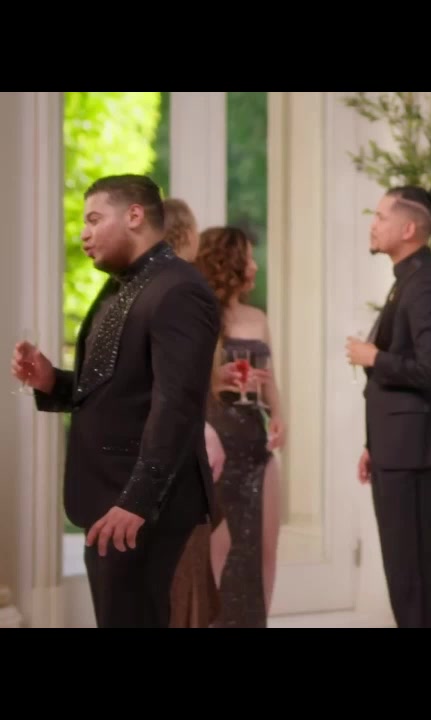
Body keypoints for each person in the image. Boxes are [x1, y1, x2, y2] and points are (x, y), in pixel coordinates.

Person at [10, 174, 220, 627]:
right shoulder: (124, 285)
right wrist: (51, 381)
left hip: (140, 505)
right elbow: (118, 389)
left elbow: (177, 406)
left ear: (134, 215)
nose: (83, 234)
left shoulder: (178, 289)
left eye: (93, 219)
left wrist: (137, 502)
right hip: (110, 498)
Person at [347, 184, 431, 628]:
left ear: (409, 228)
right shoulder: (408, 280)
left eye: (380, 217)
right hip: (395, 444)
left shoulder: (427, 284)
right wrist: (373, 443)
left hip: (411, 446)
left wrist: (373, 357)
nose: (373, 225)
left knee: (409, 565)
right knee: (405, 564)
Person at [194, 226, 287, 627]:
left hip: (254, 442)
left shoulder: (258, 317)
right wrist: (219, 379)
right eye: (248, 257)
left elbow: (270, 382)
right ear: (228, 262)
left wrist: (279, 416)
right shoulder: (199, 315)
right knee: (220, 552)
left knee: (264, 548)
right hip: (216, 440)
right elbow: (186, 386)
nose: (255, 265)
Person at [162, 196, 224, 629]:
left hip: (177, 440)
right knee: (188, 557)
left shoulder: (152, 287)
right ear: (184, 233)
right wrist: (203, 427)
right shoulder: (183, 290)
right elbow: (176, 376)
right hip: (181, 445)